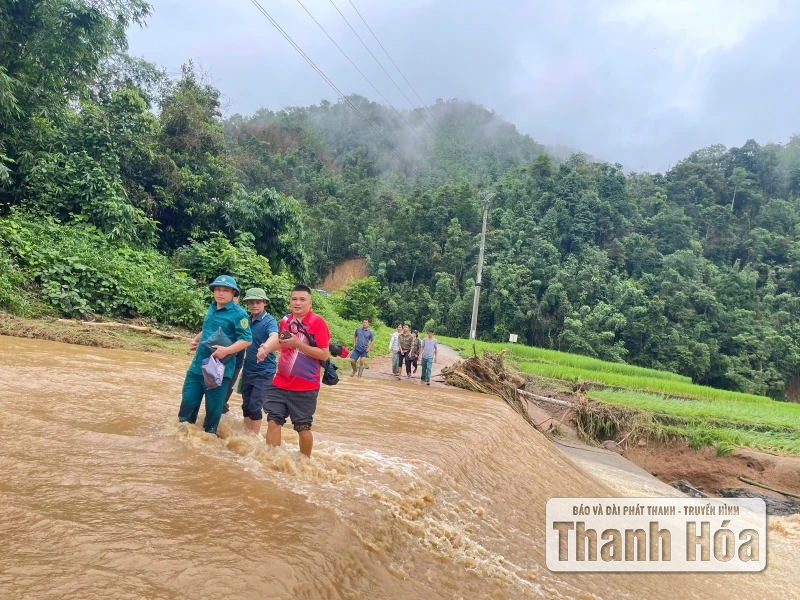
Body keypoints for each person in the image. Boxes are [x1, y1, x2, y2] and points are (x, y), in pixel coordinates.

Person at [256, 285, 330, 458]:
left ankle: (304, 463)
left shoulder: (318, 323)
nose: (297, 303)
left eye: (302, 300)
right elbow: (281, 342)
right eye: (294, 299)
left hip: (305, 386)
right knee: (273, 421)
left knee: (303, 427)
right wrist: (266, 349)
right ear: (290, 301)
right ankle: (271, 461)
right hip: (280, 382)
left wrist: (299, 344)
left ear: (310, 303)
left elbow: (324, 354)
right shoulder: (285, 321)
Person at [179, 275, 252, 435]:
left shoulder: (239, 314)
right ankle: (182, 438)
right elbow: (208, 328)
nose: (220, 293)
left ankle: (209, 439)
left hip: (217, 369)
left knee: (212, 411)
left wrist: (226, 350)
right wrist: (196, 340)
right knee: (187, 404)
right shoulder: (212, 307)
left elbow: (246, 340)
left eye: (225, 290)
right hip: (197, 366)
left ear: (233, 293)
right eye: (218, 289)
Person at [240, 287, 279, 434]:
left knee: (255, 406)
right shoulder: (246, 320)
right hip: (248, 369)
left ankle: (253, 437)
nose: (254, 305)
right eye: (251, 302)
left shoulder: (269, 321)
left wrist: (265, 348)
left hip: (264, 371)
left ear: (264, 303)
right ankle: (245, 434)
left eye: (258, 302)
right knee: (246, 405)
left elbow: (274, 336)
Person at [222, 289, 244, 414]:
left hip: (234, 363)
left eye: (234, 296)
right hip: (219, 360)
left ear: (237, 298)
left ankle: (220, 420)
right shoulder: (220, 312)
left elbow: (245, 339)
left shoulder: (241, 315)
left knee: (223, 397)